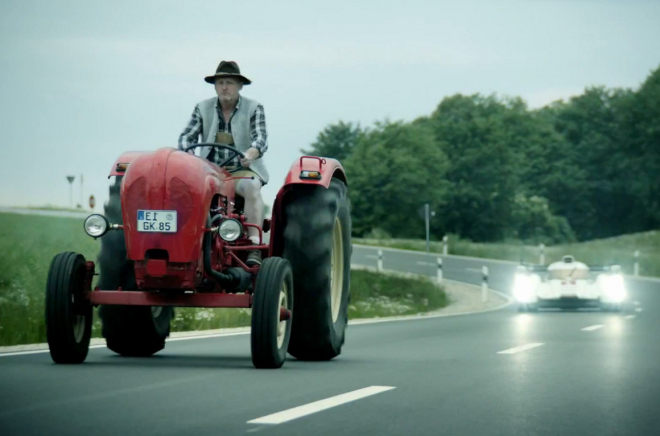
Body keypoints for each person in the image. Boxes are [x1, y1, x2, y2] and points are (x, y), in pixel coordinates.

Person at [178, 60, 269, 266]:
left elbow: (260, 139)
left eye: (229, 82)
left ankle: (253, 245)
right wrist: (189, 155)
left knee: (252, 187)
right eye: (220, 82)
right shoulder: (202, 108)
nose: (224, 87)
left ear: (239, 86)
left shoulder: (254, 108)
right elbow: (186, 137)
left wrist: (251, 154)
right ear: (215, 86)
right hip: (210, 172)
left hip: (241, 170)